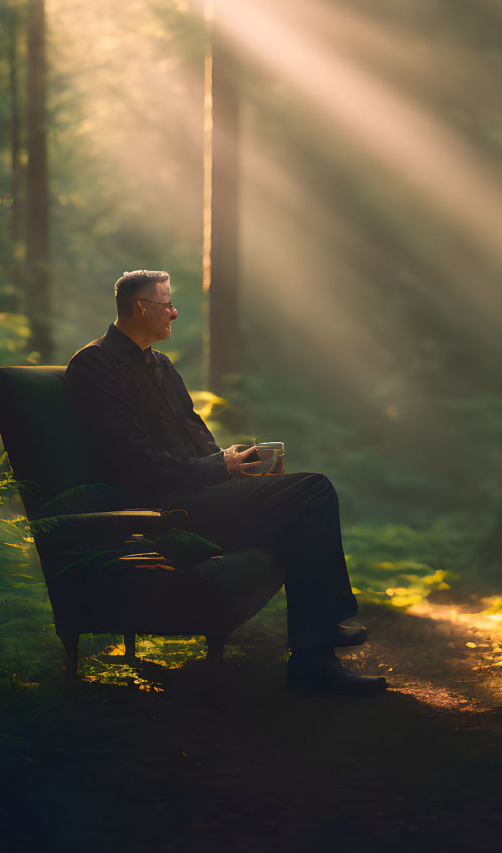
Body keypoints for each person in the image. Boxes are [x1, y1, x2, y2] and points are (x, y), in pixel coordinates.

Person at [64, 269, 385, 695]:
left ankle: (316, 650)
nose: (175, 314)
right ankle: (316, 645)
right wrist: (219, 470)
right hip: (161, 511)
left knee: (302, 500)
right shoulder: (95, 365)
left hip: (196, 494)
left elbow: (197, 434)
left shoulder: (159, 363)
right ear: (141, 306)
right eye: (167, 305)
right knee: (313, 490)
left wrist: (232, 462)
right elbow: (135, 463)